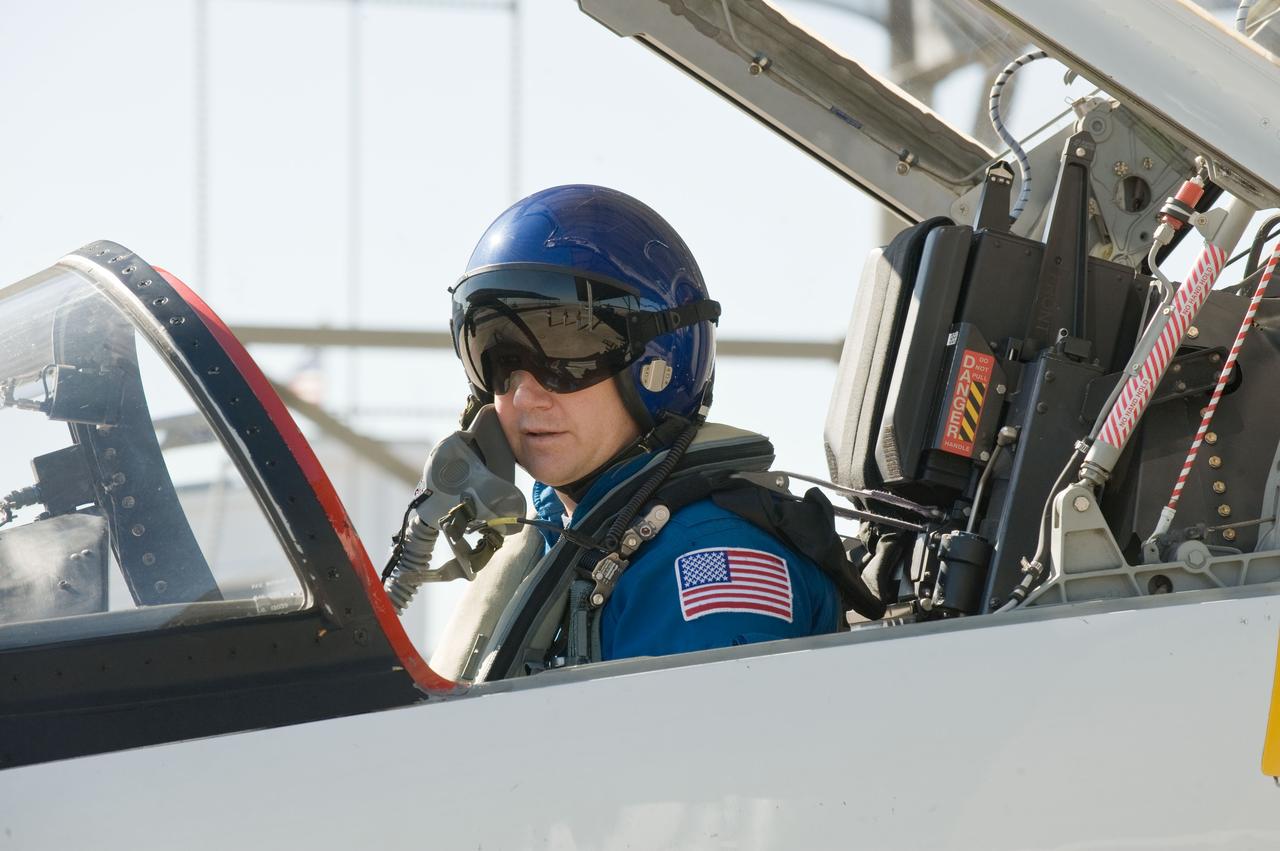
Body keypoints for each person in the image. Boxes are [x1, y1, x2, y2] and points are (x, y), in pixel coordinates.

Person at [449, 184, 845, 663]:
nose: (524, 395)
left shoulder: (706, 563)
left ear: (658, 363)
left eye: (564, 356)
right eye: (500, 360)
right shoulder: (558, 542)